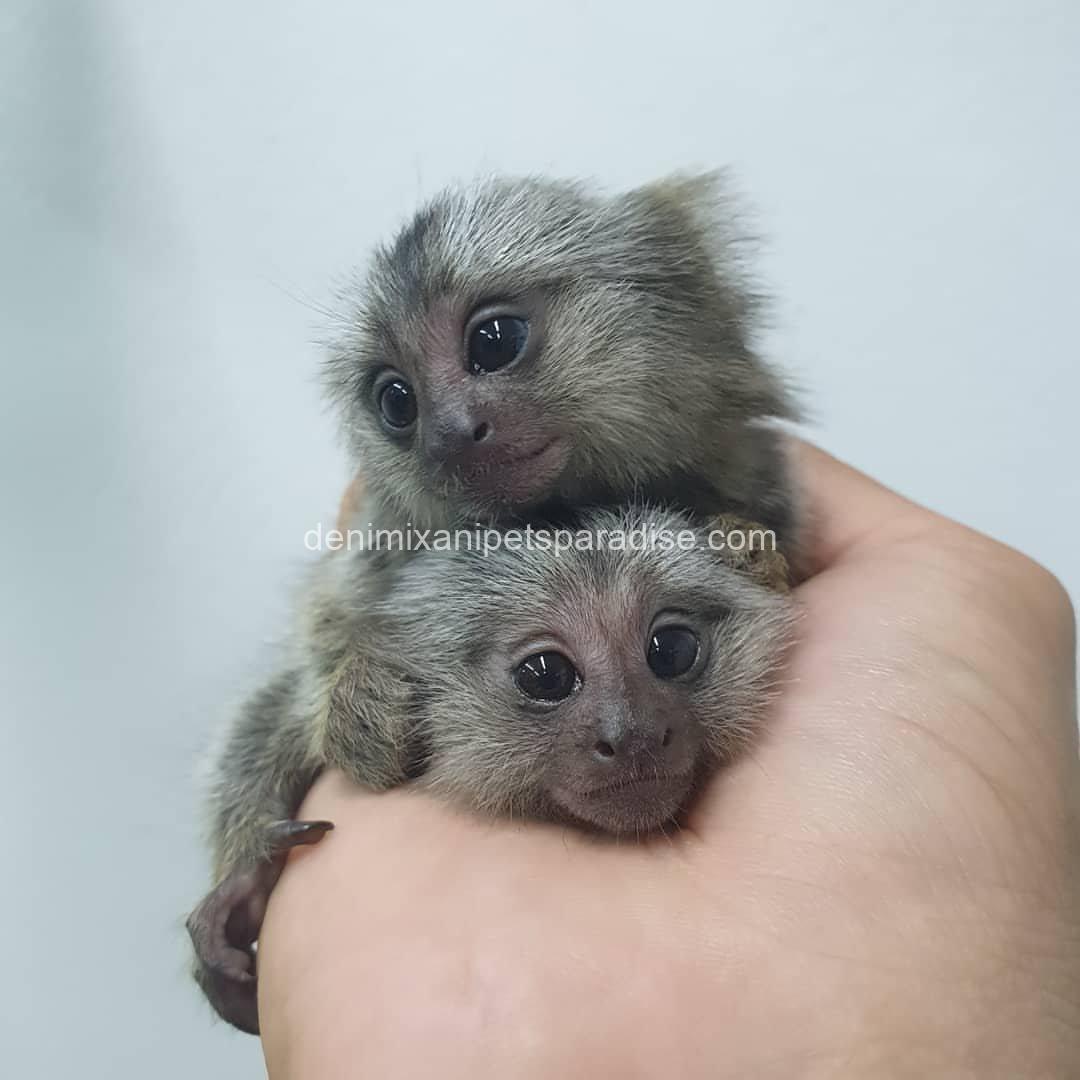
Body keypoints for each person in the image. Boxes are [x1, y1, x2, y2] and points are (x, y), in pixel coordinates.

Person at [257, 444, 1079, 1077]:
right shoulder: (383, 687)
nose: (629, 729)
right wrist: (245, 863)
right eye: (546, 677)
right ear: (421, 693)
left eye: (670, 650)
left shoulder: (752, 555)